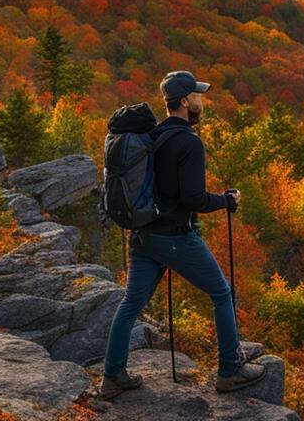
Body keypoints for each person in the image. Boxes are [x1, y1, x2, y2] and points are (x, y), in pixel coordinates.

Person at [100, 70, 266, 398]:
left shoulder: (152, 137)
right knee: (221, 293)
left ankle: (112, 376)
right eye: (198, 96)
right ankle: (230, 371)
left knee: (131, 303)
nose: (202, 101)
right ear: (186, 102)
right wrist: (227, 200)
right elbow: (193, 199)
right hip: (174, 237)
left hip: (144, 235)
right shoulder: (189, 143)